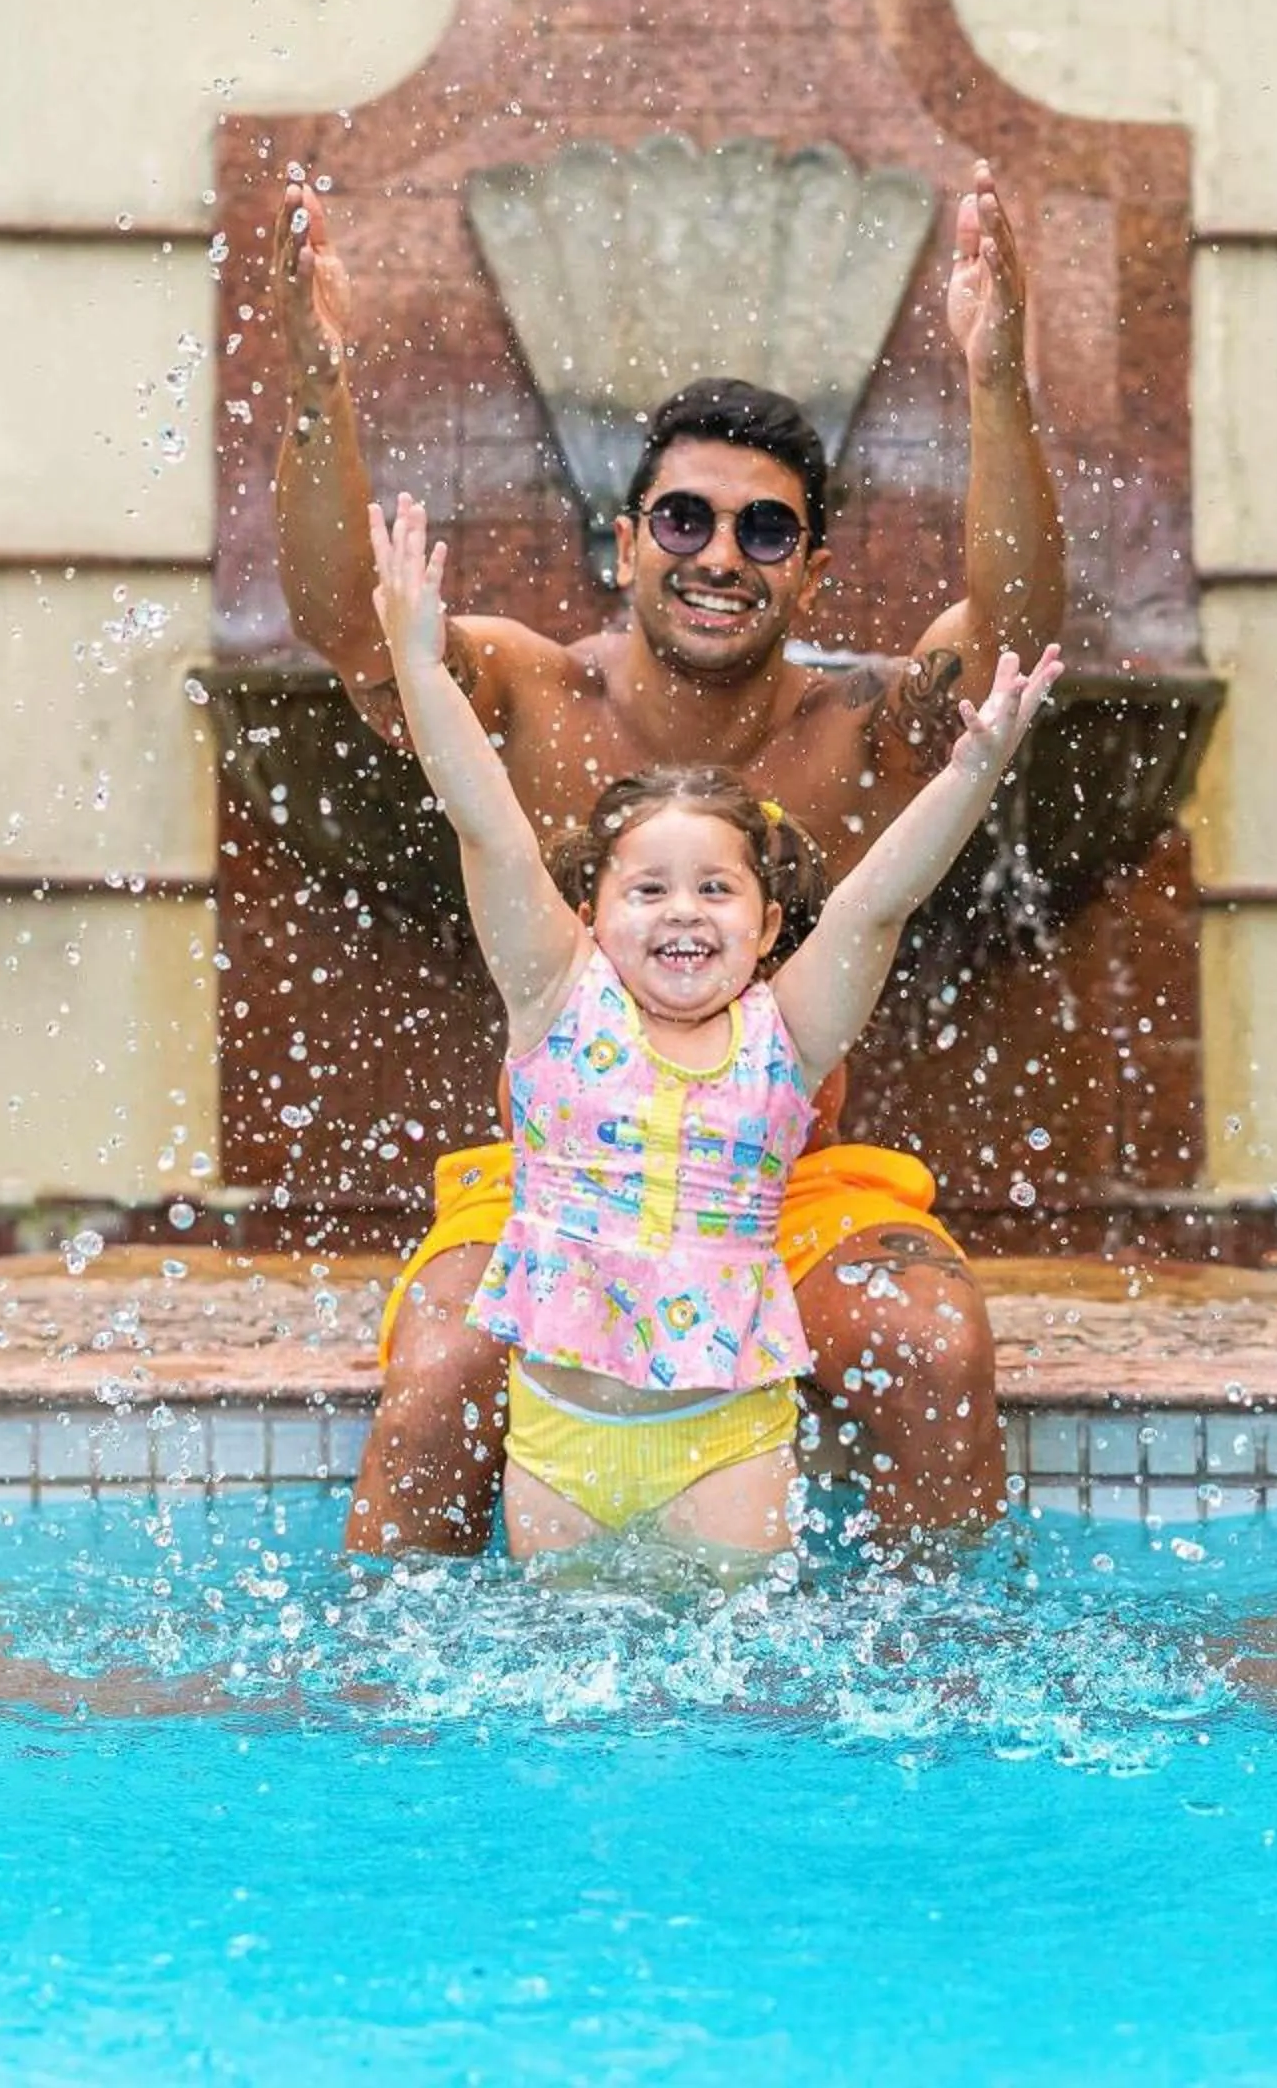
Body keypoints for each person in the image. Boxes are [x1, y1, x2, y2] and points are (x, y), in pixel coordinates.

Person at [271, 159, 1070, 1556]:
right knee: (444, 1375)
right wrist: (313, 377)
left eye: (767, 529)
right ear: (628, 540)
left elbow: (1008, 638)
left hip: (786, 1190)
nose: (721, 554)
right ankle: (390, 1717)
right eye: (685, 518)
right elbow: (353, 628)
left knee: (934, 1351)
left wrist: (996, 376)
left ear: (812, 571)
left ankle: (935, 1700)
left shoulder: (865, 730)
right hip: (559, 1185)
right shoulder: (528, 695)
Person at [365, 491, 1061, 1557]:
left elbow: (878, 901)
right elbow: (490, 827)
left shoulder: (786, 1039)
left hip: (725, 1440)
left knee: (734, 1693)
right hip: (563, 1439)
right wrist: (419, 667)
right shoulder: (557, 998)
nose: (682, 910)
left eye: (714, 891)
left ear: (769, 922)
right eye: (646, 891)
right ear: (589, 915)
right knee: (562, 1688)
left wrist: (973, 773)